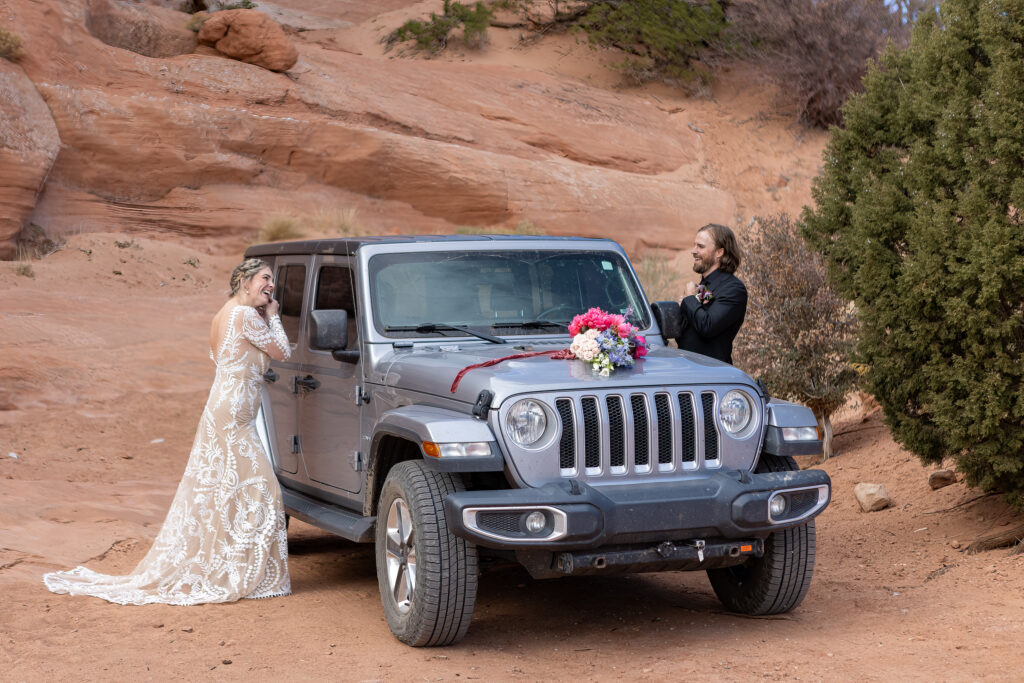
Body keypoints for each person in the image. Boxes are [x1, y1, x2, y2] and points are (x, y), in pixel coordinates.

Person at [43, 258, 293, 605]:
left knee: (223, 487)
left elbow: (218, 359)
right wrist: (275, 315)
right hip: (235, 415)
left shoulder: (222, 315)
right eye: (265, 279)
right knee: (263, 489)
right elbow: (282, 352)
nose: (271, 285)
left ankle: (228, 565)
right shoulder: (247, 316)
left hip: (221, 407)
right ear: (246, 282)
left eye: (272, 281)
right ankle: (240, 573)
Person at [676, 223, 747, 365]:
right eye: (694, 245)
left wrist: (690, 299)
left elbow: (707, 326)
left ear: (719, 252)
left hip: (713, 375)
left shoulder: (733, 289)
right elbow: (685, 337)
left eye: (700, 246)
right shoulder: (703, 287)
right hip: (685, 370)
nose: (693, 251)